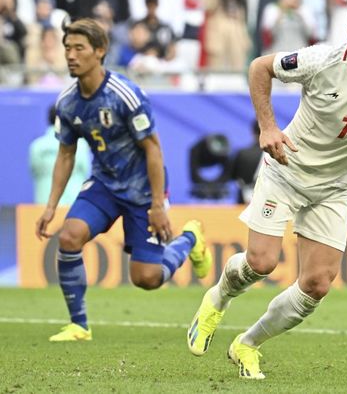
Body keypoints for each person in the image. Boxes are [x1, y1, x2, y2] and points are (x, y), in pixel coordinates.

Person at [186, 0, 347, 379]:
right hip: (286, 171)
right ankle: (218, 299)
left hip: (335, 189)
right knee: (261, 263)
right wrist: (268, 126)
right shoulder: (322, 60)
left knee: (316, 285)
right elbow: (260, 67)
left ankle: (247, 344)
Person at [35, 18, 212, 342]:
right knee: (70, 236)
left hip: (143, 189)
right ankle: (79, 326)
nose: (71, 55)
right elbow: (65, 154)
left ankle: (189, 238)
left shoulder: (125, 94)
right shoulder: (67, 102)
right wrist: (50, 206)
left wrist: (158, 205)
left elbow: (153, 149)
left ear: (100, 51)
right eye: (67, 48)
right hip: (104, 184)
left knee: (146, 278)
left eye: (79, 48)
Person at [30, 106, 91, 205]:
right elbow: (85, 171)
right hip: (74, 203)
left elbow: (34, 171)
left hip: (45, 203)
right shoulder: (81, 145)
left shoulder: (37, 146)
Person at [230, 121, 263, 205]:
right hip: (267, 200)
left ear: (252, 132)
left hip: (243, 201)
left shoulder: (242, 153)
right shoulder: (274, 155)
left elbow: (232, 175)